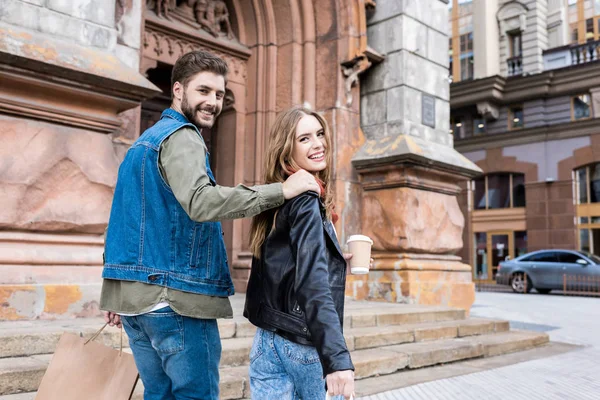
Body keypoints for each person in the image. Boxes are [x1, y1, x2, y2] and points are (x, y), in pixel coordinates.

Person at [100, 51, 321, 400]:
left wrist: (115, 289)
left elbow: (123, 221)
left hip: (136, 304)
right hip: (175, 301)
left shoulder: (142, 143)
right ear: (177, 89)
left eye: (219, 94)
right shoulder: (183, 137)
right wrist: (282, 190)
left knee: (159, 394)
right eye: (203, 91)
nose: (213, 102)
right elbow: (202, 202)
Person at [244, 106, 355, 399]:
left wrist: (337, 258)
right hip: (302, 342)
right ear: (286, 149)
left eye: (319, 134)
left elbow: (283, 264)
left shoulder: (277, 194)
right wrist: (337, 360)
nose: (318, 143)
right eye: (304, 138)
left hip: (266, 340)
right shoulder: (306, 199)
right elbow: (311, 282)